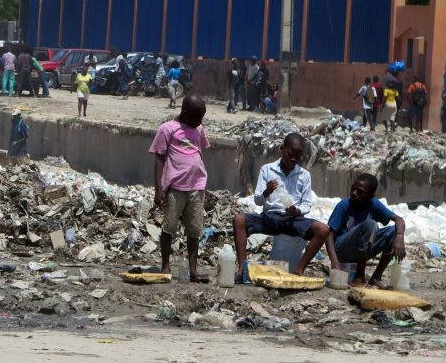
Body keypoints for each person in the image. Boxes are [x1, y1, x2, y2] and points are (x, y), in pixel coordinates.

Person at [232, 133, 331, 279]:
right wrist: (267, 191)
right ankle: (242, 269)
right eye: (291, 154)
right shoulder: (267, 169)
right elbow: (258, 201)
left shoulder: (304, 175)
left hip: (293, 220)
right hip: (270, 217)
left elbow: (307, 204)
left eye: (298, 156)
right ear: (282, 149)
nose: (293, 159)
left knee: (323, 230)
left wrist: (297, 210)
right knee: (239, 220)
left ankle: (299, 269)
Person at [149, 94, 211, 283]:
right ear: (184, 112)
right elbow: (159, 158)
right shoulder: (167, 129)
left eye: (201, 118)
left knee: (194, 230)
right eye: (196, 117)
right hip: (175, 187)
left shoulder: (198, 129)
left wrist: (203, 186)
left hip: (196, 187)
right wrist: (159, 188)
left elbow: (198, 154)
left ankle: (193, 270)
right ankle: (165, 266)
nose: (199, 122)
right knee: (169, 227)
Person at [327, 174, 406, 288]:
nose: (354, 193)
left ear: (370, 195)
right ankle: (359, 274)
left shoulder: (373, 204)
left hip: (362, 250)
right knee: (370, 224)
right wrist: (335, 262)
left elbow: (399, 220)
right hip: (342, 249)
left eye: (360, 191)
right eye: (353, 188)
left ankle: (376, 277)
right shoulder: (344, 205)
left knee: (393, 231)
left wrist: (399, 236)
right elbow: (329, 234)